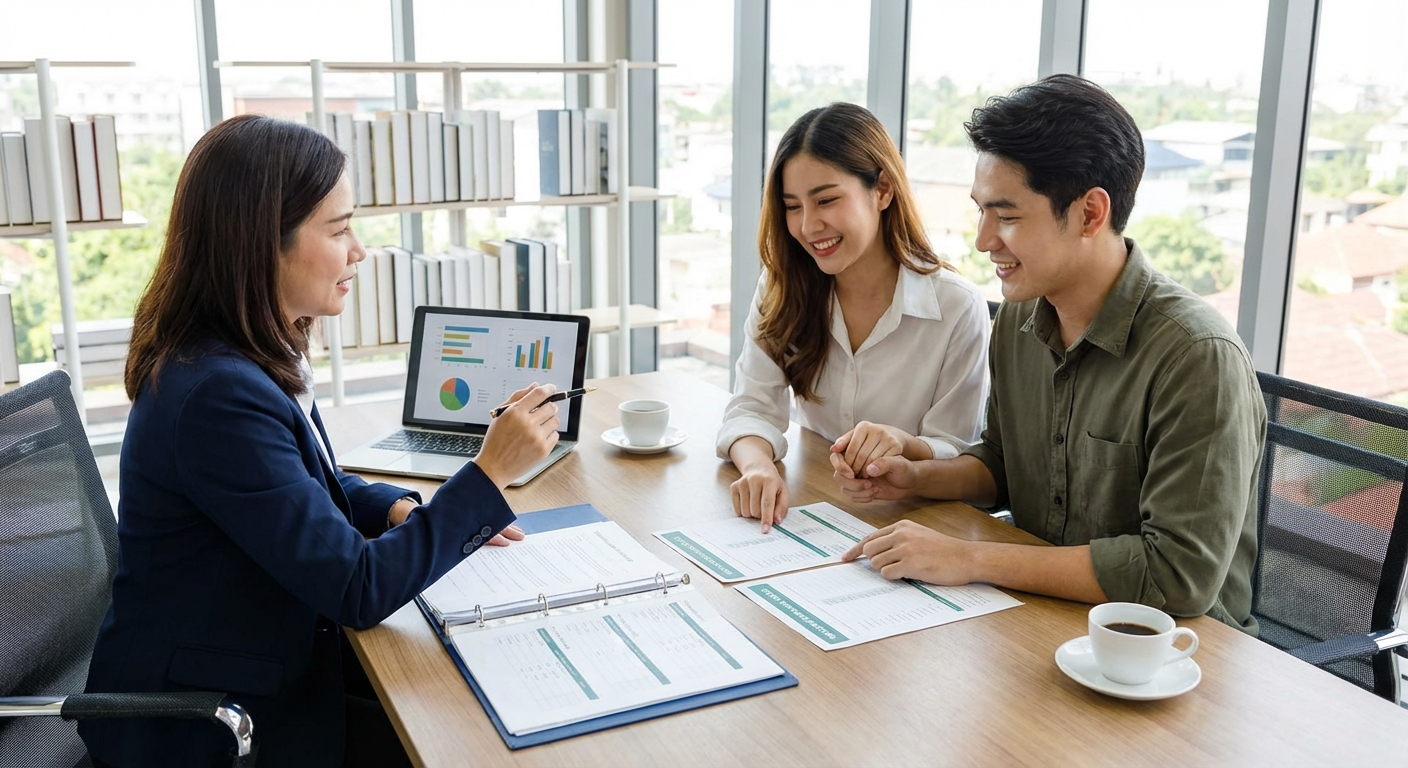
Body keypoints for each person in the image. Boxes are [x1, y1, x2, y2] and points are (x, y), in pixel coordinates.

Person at [79, 115, 562, 767]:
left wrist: (395, 505)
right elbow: (357, 590)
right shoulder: (216, 395)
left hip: (259, 665)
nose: (358, 252)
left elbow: (300, 484)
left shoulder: (241, 353)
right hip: (210, 724)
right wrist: (487, 474)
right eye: (339, 230)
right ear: (261, 245)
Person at [836, 75, 1265, 633]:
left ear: (1090, 214)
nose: (984, 239)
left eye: (1007, 216)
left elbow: (1178, 576)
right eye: (981, 212)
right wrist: (916, 477)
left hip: (1173, 656)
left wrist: (969, 559)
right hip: (1046, 620)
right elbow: (1003, 465)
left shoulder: (1197, 357)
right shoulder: (1019, 317)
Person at [718, 102, 990, 532]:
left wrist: (904, 445)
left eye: (826, 200)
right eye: (792, 206)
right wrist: (757, 468)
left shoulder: (956, 307)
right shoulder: (781, 288)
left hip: (920, 526)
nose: (808, 226)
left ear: (882, 189)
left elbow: (958, 453)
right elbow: (752, 406)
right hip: (817, 512)